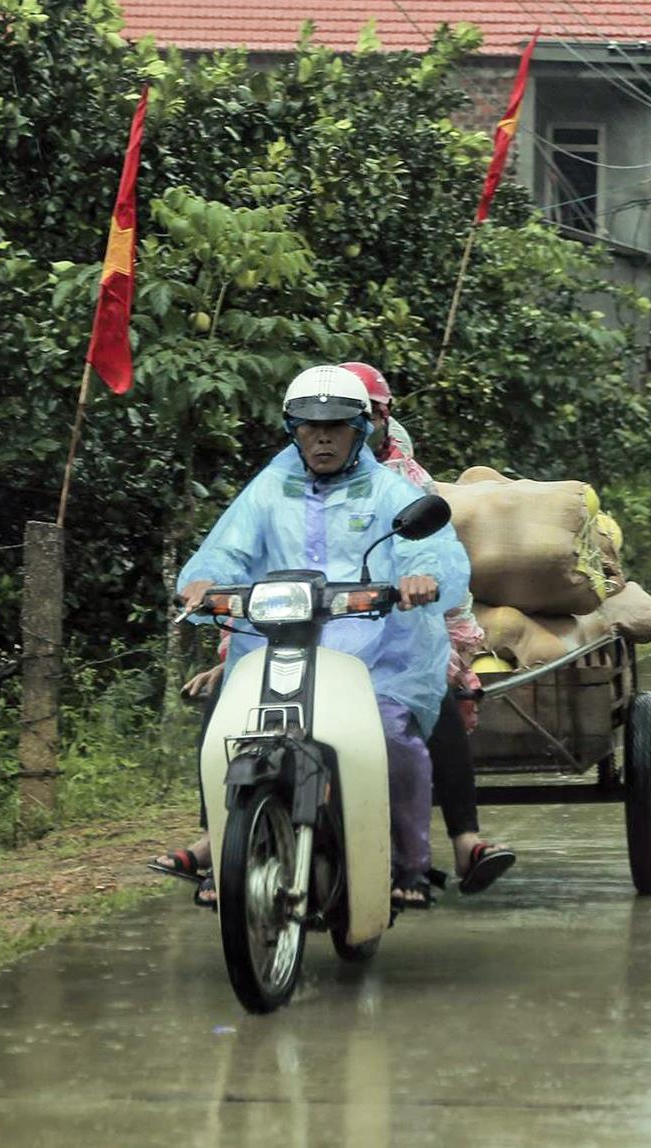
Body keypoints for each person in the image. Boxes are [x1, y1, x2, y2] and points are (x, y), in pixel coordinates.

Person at [163, 364, 469, 909]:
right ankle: (229, 846)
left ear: (361, 430)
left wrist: (421, 576)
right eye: (308, 426)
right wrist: (204, 581)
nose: (321, 436)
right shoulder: (268, 489)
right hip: (278, 642)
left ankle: (409, 864)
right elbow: (226, 548)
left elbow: (430, 551)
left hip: (378, 652)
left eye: (336, 426)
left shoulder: (389, 489)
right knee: (227, 726)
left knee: (393, 738)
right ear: (292, 430)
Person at [340, 361, 516, 895]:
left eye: (358, 415)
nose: (340, 430)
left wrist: (428, 592)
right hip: (322, 622)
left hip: (397, 624)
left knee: (434, 685)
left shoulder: (407, 482)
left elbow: (439, 556)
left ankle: (464, 839)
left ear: (381, 417)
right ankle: (224, 837)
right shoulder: (293, 479)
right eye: (324, 422)